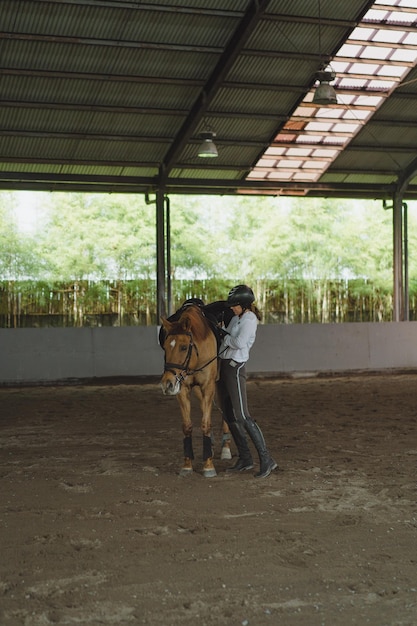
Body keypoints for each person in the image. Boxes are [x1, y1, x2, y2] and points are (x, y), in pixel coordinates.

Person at [216, 284, 277, 478]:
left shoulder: (249, 320)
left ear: (244, 305)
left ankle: (266, 459)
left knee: (242, 415)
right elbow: (227, 334)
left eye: (235, 305)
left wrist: (224, 338)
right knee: (228, 414)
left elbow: (239, 342)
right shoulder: (236, 318)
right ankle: (245, 458)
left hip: (235, 368)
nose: (232, 308)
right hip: (224, 366)